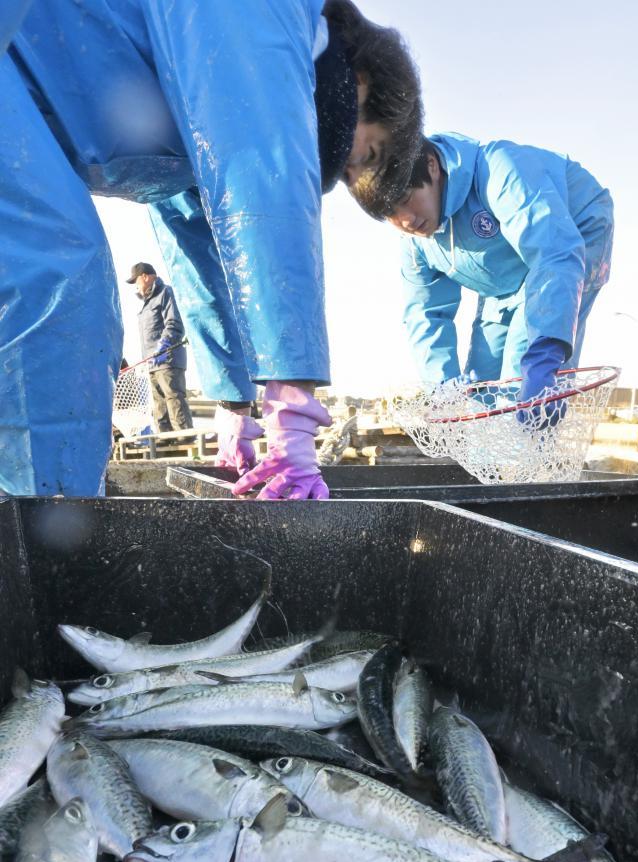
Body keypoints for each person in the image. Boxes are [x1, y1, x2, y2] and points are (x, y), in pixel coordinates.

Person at [0, 0, 422, 497]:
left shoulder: (197, 112)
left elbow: (202, 255)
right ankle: (45, 545)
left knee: (60, 276)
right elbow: (264, 178)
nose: (345, 169)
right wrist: (292, 403)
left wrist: (233, 403)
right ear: (362, 78)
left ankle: (33, 525)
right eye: (366, 155)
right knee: (58, 280)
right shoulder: (267, 18)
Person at [353, 133, 614, 416]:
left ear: (431, 166)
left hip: (571, 232)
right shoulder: (416, 241)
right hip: (504, 277)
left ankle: (529, 446)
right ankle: (486, 455)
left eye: (406, 198)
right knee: (480, 385)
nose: (405, 220)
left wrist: (546, 351)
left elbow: (554, 253)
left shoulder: (500, 169)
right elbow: (425, 314)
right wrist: (444, 389)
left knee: (523, 369)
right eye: (390, 214)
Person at [127, 261, 193, 438]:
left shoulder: (165, 292)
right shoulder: (145, 303)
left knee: (173, 397)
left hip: (168, 359)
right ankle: (165, 439)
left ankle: (184, 437)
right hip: (151, 363)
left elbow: (174, 324)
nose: (136, 285)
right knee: (159, 403)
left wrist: (163, 347)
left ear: (145, 277)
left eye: (136, 281)